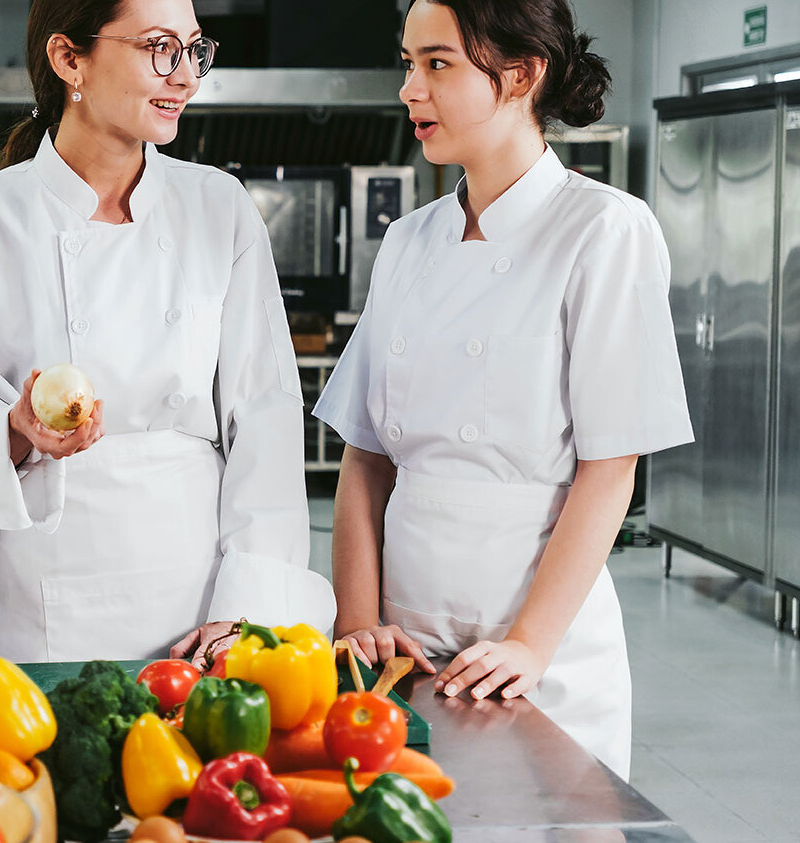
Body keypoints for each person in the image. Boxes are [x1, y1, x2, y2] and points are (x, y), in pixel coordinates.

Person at [315, 0, 691, 777]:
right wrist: (356, 620)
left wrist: (529, 643)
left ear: (521, 74)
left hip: (538, 655)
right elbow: (366, 456)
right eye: (408, 63)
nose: (410, 89)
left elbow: (610, 468)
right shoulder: (408, 242)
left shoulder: (603, 232)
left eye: (438, 64)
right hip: (400, 650)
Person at [0, 0, 335, 664]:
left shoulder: (218, 208)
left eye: (194, 49)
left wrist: (246, 612)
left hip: (203, 608)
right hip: (54, 597)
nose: (186, 76)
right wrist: (17, 431)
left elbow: (266, 418)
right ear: (69, 58)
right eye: (159, 47)